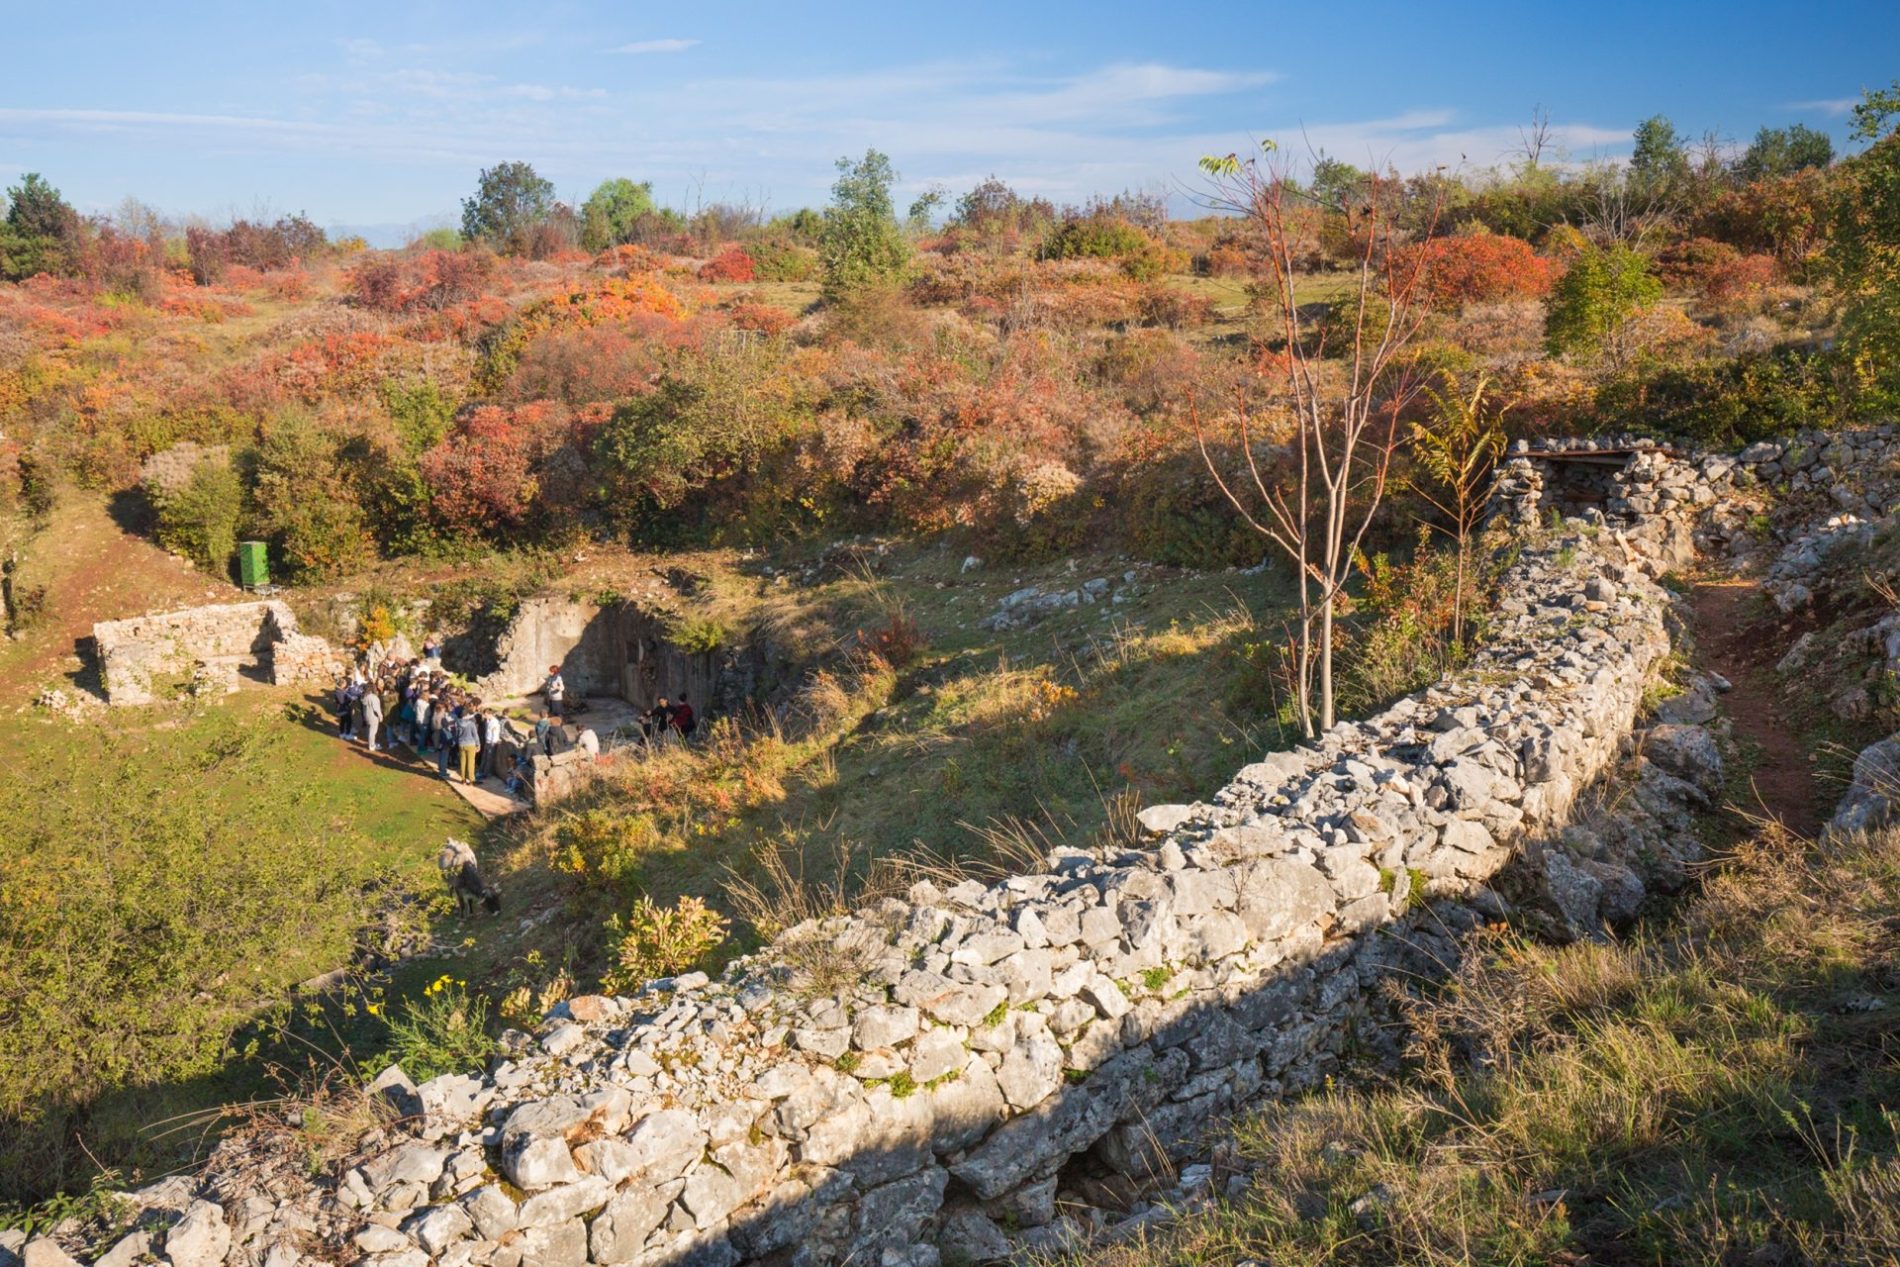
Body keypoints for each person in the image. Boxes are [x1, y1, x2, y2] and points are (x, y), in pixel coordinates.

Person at [454, 710, 481, 784]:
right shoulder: (471, 724)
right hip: (470, 744)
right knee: (471, 762)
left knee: (463, 762)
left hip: (461, 744)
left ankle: (463, 779)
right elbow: (475, 735)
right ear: (466, 715)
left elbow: (456, 734)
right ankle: (471, 779)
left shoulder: (457, 723)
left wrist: (457, 742)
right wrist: (478, 744)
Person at [480, 709, 503, 781]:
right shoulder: (488, 721)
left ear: (490, 714)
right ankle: (481, 771)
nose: (484, 716)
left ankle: (485, 774)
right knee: (484, 758)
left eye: (485, 715)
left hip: (491, 743)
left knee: (489, 759)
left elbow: (495, 734)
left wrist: (493, 743)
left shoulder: (494, 722)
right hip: (487, 741)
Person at [361, 684, 384, 753]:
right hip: (373, 717)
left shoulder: (364, 696)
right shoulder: (373, 697)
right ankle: (372, 745)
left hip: (367, 716)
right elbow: (376, 709)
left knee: (369, 730)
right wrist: (380, 716)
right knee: (373, 732)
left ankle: (371, 743)